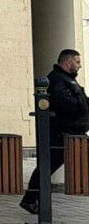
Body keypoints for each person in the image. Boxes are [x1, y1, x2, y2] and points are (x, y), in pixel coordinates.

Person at [20, 49, 88, 214]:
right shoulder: (58, 80)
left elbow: (82, 100)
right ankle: (30, 199)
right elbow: (65, 104)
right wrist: (81, 106)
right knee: (47, 166)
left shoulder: (67, 80)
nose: (79, 66)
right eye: (77, 62)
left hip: (72, 133)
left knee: (47, 167)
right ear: (68, 62)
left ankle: (30, 199)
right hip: (63, 134)